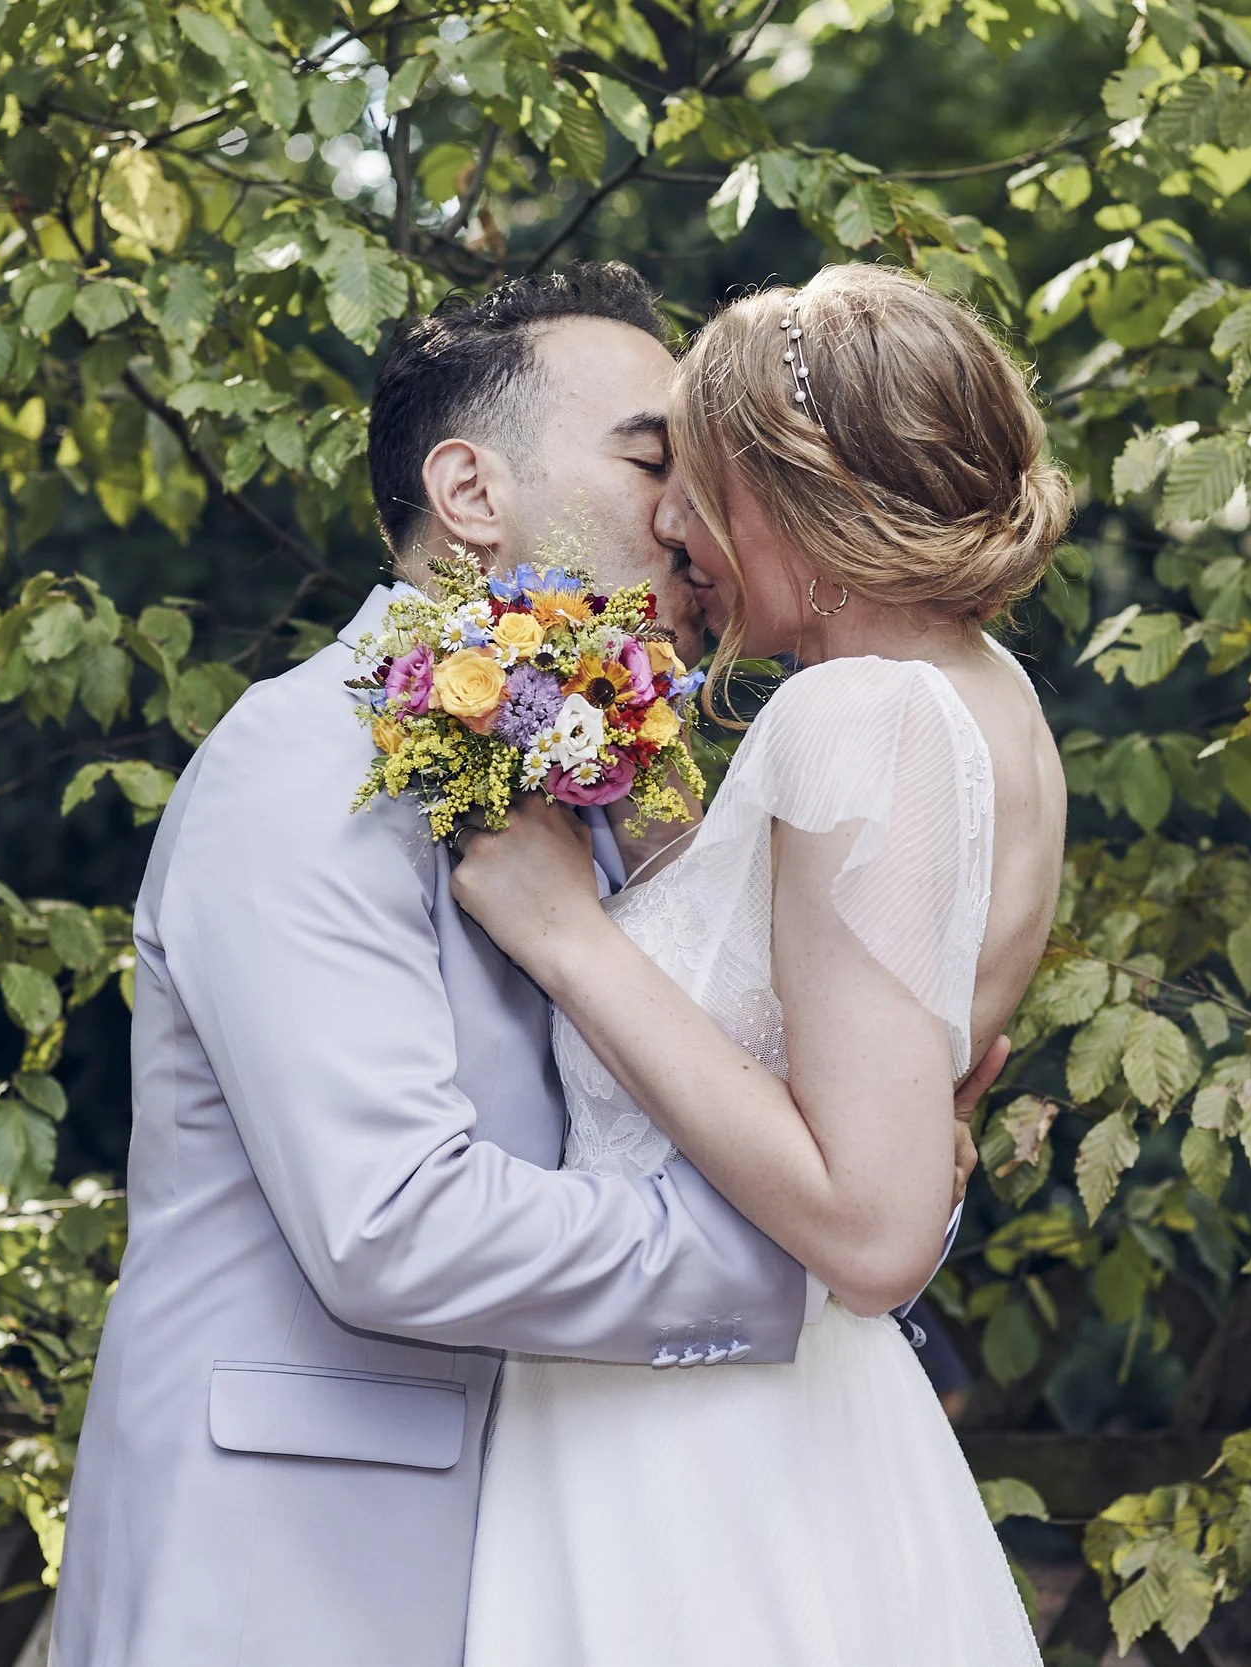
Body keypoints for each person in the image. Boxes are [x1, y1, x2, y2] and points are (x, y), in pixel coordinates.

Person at [50, 262, 995, 1666]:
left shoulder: (604, 791)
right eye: (653, 461)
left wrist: (871, 1164)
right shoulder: (304, 762)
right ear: (470, 492)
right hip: (298, 1573)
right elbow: (393, 1223)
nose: (687, 516)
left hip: (564, 1554)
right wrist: (795, 1261)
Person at [453, 263, 1070, 1665]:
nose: (672, 523)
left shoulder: (858, 717)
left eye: (697, 479)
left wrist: (566, 935)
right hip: (796, 1424)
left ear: (796, 490)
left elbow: (875, 1231)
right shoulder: (992, 700)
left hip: (702, 1464)